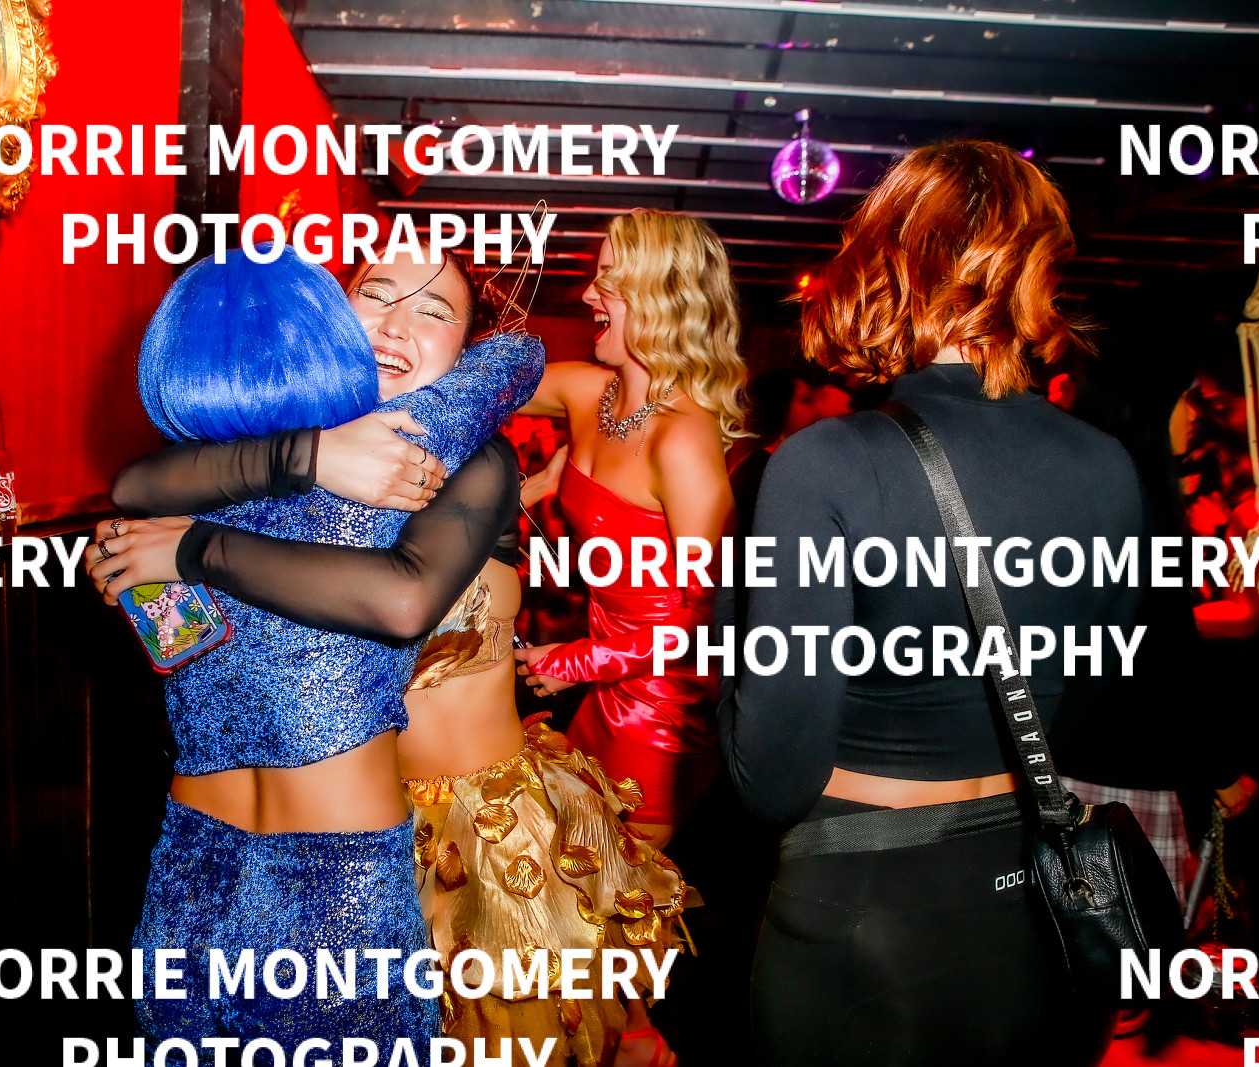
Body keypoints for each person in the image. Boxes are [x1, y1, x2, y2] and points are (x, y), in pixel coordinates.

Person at [96, 247, 690, 1065]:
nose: (398, 323)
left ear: (464, 349)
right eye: (376, 294)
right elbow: (136, 484)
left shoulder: (471, 457)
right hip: (281, 830)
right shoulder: (282, 442)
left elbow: (403, 598)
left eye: (435, 311)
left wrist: (195, 547)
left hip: (466, 833)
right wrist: (306, 458)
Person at [719, 141, 1141, 1065]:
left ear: (881, 260)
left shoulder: (828, 462)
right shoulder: (1107, 465)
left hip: (861, 914)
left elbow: (772, 778)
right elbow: (1088, 713)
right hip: (1027, 911)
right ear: (1036, 268)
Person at [513, 210, 747, 850]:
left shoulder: (683, 438)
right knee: (569, 875)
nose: (588, 293)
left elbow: (714, 617)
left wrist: (583, 660)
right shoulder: (587, 392)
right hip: (601, 686)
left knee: (618, 890)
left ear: (663, 298)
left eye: (609, 278)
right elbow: (470, 386)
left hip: (663, 704)